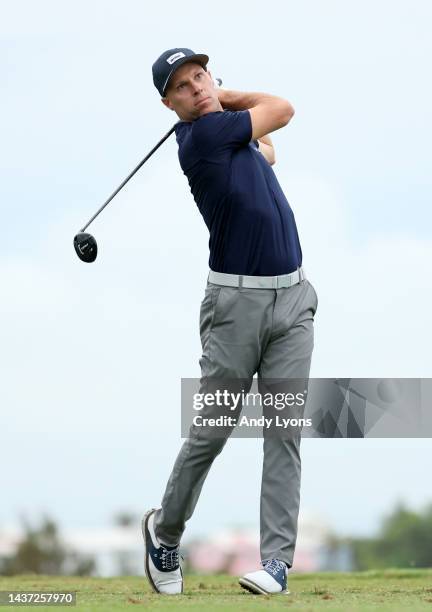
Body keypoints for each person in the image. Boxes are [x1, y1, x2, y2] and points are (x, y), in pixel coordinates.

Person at [142, 47, 318, 596]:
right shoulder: (203, 139)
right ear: (170, 106)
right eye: (183, 88)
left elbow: (267, 148)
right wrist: (225, 97)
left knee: (284, 432)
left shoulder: (226, 134)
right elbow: (282, 109)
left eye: (201, 77)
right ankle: (164, 534)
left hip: (293, 300)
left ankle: (276, 564)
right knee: (213, 431)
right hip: (235, 309)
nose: (196, 88)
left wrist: (223, 106)